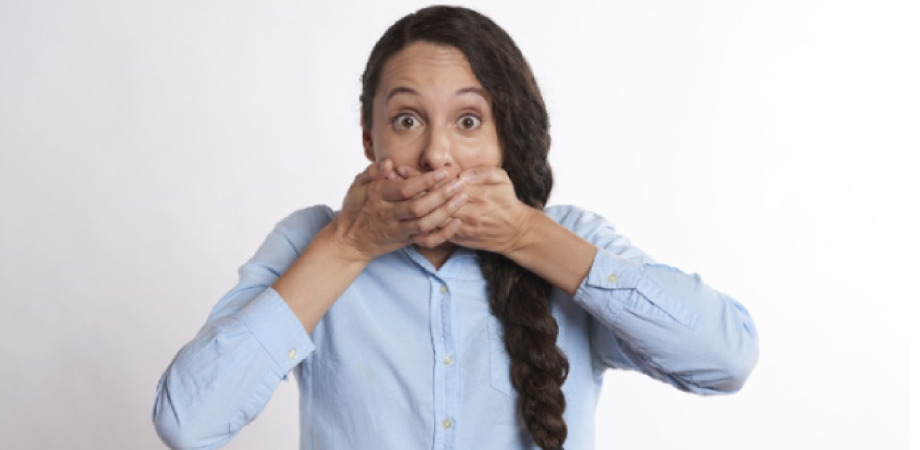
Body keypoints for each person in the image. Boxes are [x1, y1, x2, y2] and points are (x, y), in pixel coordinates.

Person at [152, 6, 759, 450]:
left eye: (468, 120)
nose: (437, 155)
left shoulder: (567, 240)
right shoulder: (315, 243)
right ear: (371, 139)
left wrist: (525, 237)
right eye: (408, 119)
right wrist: (347, 248)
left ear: (503, 137)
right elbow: (189, 421)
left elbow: (724, 359)